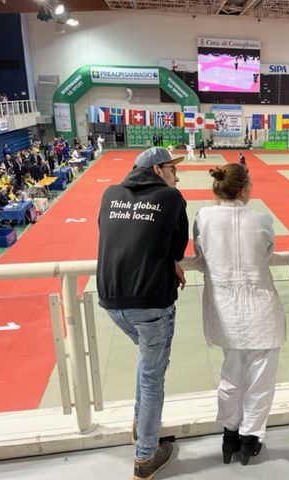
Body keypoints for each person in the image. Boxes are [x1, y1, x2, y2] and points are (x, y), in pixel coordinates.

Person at [97, 147, 189, 480]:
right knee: (153, 377)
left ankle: (140, 425)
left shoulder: (110, 193)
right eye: (172, 170)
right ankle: (146, 457)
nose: (176, 176)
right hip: (149, 300)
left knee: (147, 363)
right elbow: (178, 248)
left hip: (110, 299)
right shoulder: (171, 198)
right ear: (157, 169)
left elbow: (117, 238)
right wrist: (172, 262)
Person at [193, 164, 285, 466]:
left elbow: (201, 256)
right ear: (244, 189)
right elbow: (268, 253)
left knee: (231, 376)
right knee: (260, 381)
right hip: (261, 308)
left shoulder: (203, 218)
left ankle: (229, 435)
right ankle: (249, 439)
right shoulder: (261, 219)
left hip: (225, 310)